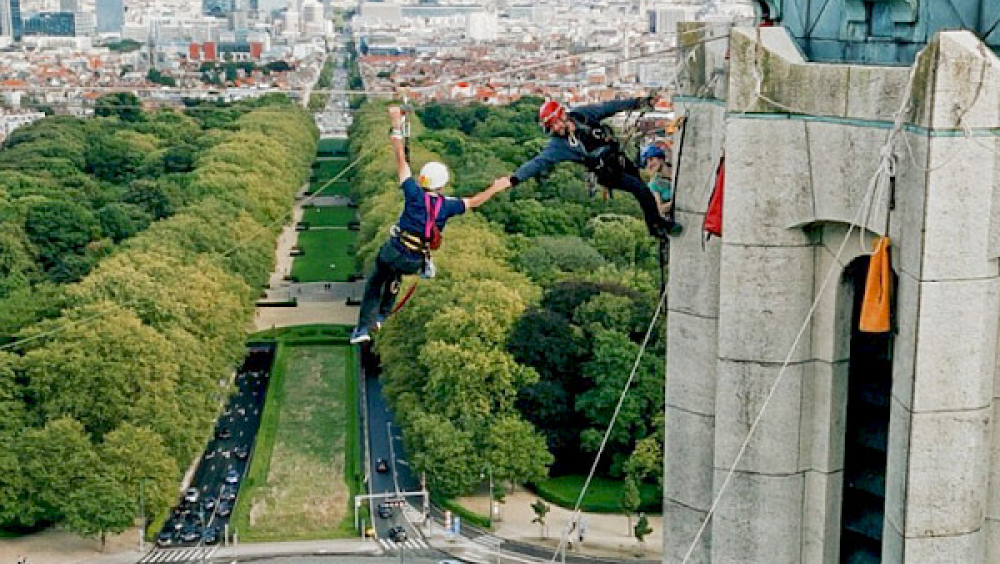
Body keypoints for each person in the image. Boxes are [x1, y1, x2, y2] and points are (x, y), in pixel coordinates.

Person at [349, 106, 509, 344]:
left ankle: (363, 328)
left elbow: (400, 159)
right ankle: (382, 316)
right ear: (442, 184)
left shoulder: (413, 193)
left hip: (394, 250)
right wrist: (496, 187)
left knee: (376, 282)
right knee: (395, 278)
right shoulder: (448, 206)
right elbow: (475, 201)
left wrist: (396, 125)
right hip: (415, 260)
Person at [488, 97, 682, 238]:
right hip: (606, 172)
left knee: (642, 189)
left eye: (554, 124)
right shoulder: (559, 145)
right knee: (641, 189)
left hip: (617, 159)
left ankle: (653, 225)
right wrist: (514, 178)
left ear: (562, 116)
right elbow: (538, 163)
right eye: (551, 126)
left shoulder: (582, 116)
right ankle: (659, 225)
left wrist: (638, 103)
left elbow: (609, 107)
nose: (554, 129)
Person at [640, 144, 673, 217]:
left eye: (651, 159)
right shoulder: (654, 184)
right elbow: (660, 209)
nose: (649, 164)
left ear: (660, 158)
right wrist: (674, 201)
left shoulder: (677, 168)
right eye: (646, 163)